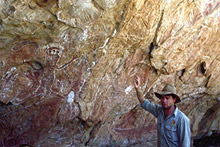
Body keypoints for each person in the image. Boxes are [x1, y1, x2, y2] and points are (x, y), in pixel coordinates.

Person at [134, 76, 191, 147]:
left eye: (167, 98)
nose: (164, 101)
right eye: (162, 98)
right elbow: (144, 102)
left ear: (174, 99)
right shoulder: (160, 111)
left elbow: (185, 144)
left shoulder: (182, 119)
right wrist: (137, 88)